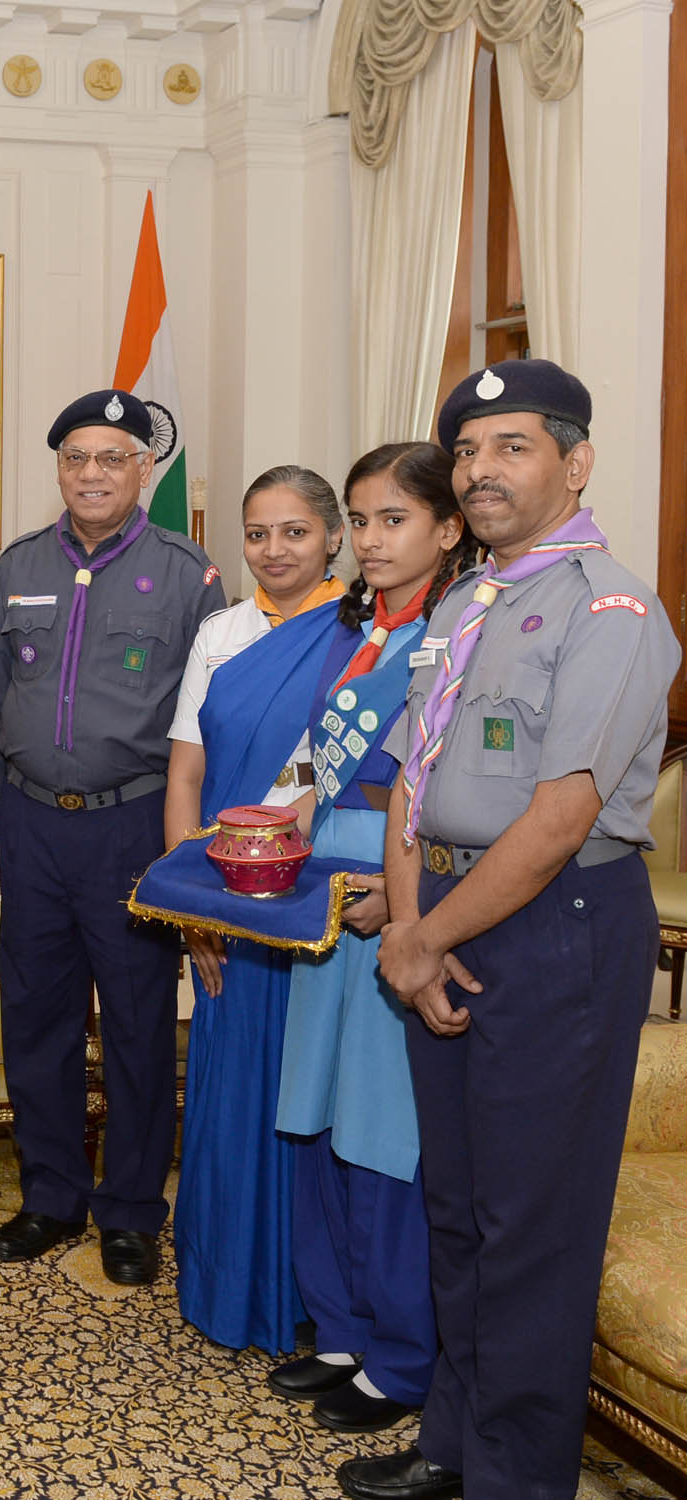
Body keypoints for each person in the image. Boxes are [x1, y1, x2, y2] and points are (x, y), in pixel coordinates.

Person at [339, 360, 681, 1500]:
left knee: (531, 1225)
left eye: (513, 446)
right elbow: (409, 779)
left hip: (559, 929)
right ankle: (454, 1442)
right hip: (446, 914)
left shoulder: (612, 609)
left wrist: (422, 939)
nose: (482, 470)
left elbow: (559, 815)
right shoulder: (460, 601)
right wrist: (413, 923)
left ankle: (515, 1478)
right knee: (460, 1207)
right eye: (470, 451)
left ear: (574, 464)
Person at [0, 388, 229, 1285]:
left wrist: (186, 847)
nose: (92, 474)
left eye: (111, 458)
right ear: (59, 471)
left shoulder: (190, 574)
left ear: (142, 472)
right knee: (32, 1017)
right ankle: (49, 1195)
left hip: (135, 829)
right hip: (32, 824)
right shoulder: (17, 567)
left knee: (137, 1024)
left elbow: (212, 723)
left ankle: (129, 1211)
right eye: (77, 458)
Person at [267, 443, 473, 1437]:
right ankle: (342, 1327)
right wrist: (259, 839)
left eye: (394, 518)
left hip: (396, 898)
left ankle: (400, 1358)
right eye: (360, 519)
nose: (370, 539)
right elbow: (314, 765)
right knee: (314, 1114)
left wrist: (403, 901)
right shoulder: (356, 629)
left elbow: (455, 788)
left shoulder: (459, 629)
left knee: (385, 1133)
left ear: (447, 527)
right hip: (320, 897)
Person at [161, 465, 348, 1354]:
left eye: (295, 532)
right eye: (259, 534)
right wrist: (192, 902)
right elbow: (187, 772)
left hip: (316, 905)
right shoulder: (221, 632)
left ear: (334, 537)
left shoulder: (364, 637)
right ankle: (228, 1283)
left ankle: (314, 1299)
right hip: (229, 907)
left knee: (307, 1093)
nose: (275, 551)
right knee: (231, 1093)